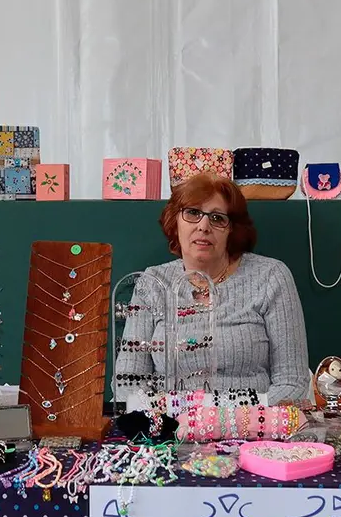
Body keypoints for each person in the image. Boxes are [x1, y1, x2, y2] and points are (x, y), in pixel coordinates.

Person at [115, 173, 310, 404]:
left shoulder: (271, 276)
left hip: (251, 431)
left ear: (232, 230)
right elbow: (128, 381)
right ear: (175, 222)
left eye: (217, 218)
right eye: (193, 213)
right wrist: (167, 420)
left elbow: (293, 382)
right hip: (169, 431)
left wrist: (222, 419)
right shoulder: (151, 282)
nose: (204, 226)